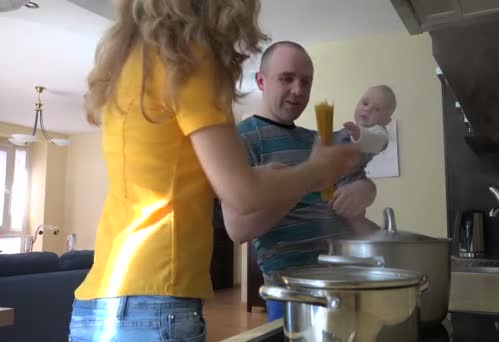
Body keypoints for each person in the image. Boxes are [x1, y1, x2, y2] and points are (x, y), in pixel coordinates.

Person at [68, 2, 359, 341]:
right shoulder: (185, 60)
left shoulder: (133, 63)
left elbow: (183, 177)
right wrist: (317, 170)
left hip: (98, 303)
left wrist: (269, 178)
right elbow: (243, 196)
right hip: (155, 299)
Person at [221, 41, 378, 321]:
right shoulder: (241, 139)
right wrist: (306, 180)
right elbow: (237, 229)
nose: (298, 90)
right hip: (290, 293)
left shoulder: (317, 139)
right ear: (261, 80)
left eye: (306, 82)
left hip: (341, 282)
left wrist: (365, 190)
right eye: (287, 78)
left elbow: (356, 187)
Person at [333, 84, 397, 229]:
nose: (367, 109)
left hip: (350, 179)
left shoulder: (380, 133)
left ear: (386, 121)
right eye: (365, 103)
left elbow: (373, 141)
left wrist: (358, 134)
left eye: (377, 109)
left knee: (351, 216)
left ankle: (378, 240)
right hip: (335, 178)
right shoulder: (344, 131)